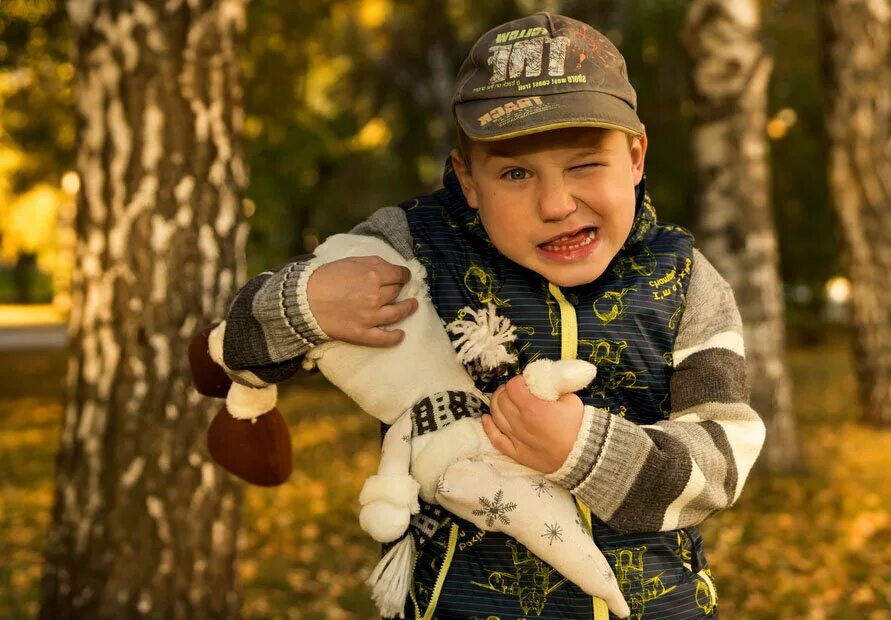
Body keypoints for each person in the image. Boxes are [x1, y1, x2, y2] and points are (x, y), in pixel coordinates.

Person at [218, 13, 766, 619]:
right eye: (514, 173)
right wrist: (307, 302)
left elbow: (724, 457)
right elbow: (240, 343)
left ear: (635, 158)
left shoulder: (685, 280)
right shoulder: (417, 250)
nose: (556, 204)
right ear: (468, 180)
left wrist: (584, 451)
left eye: (585, 164)